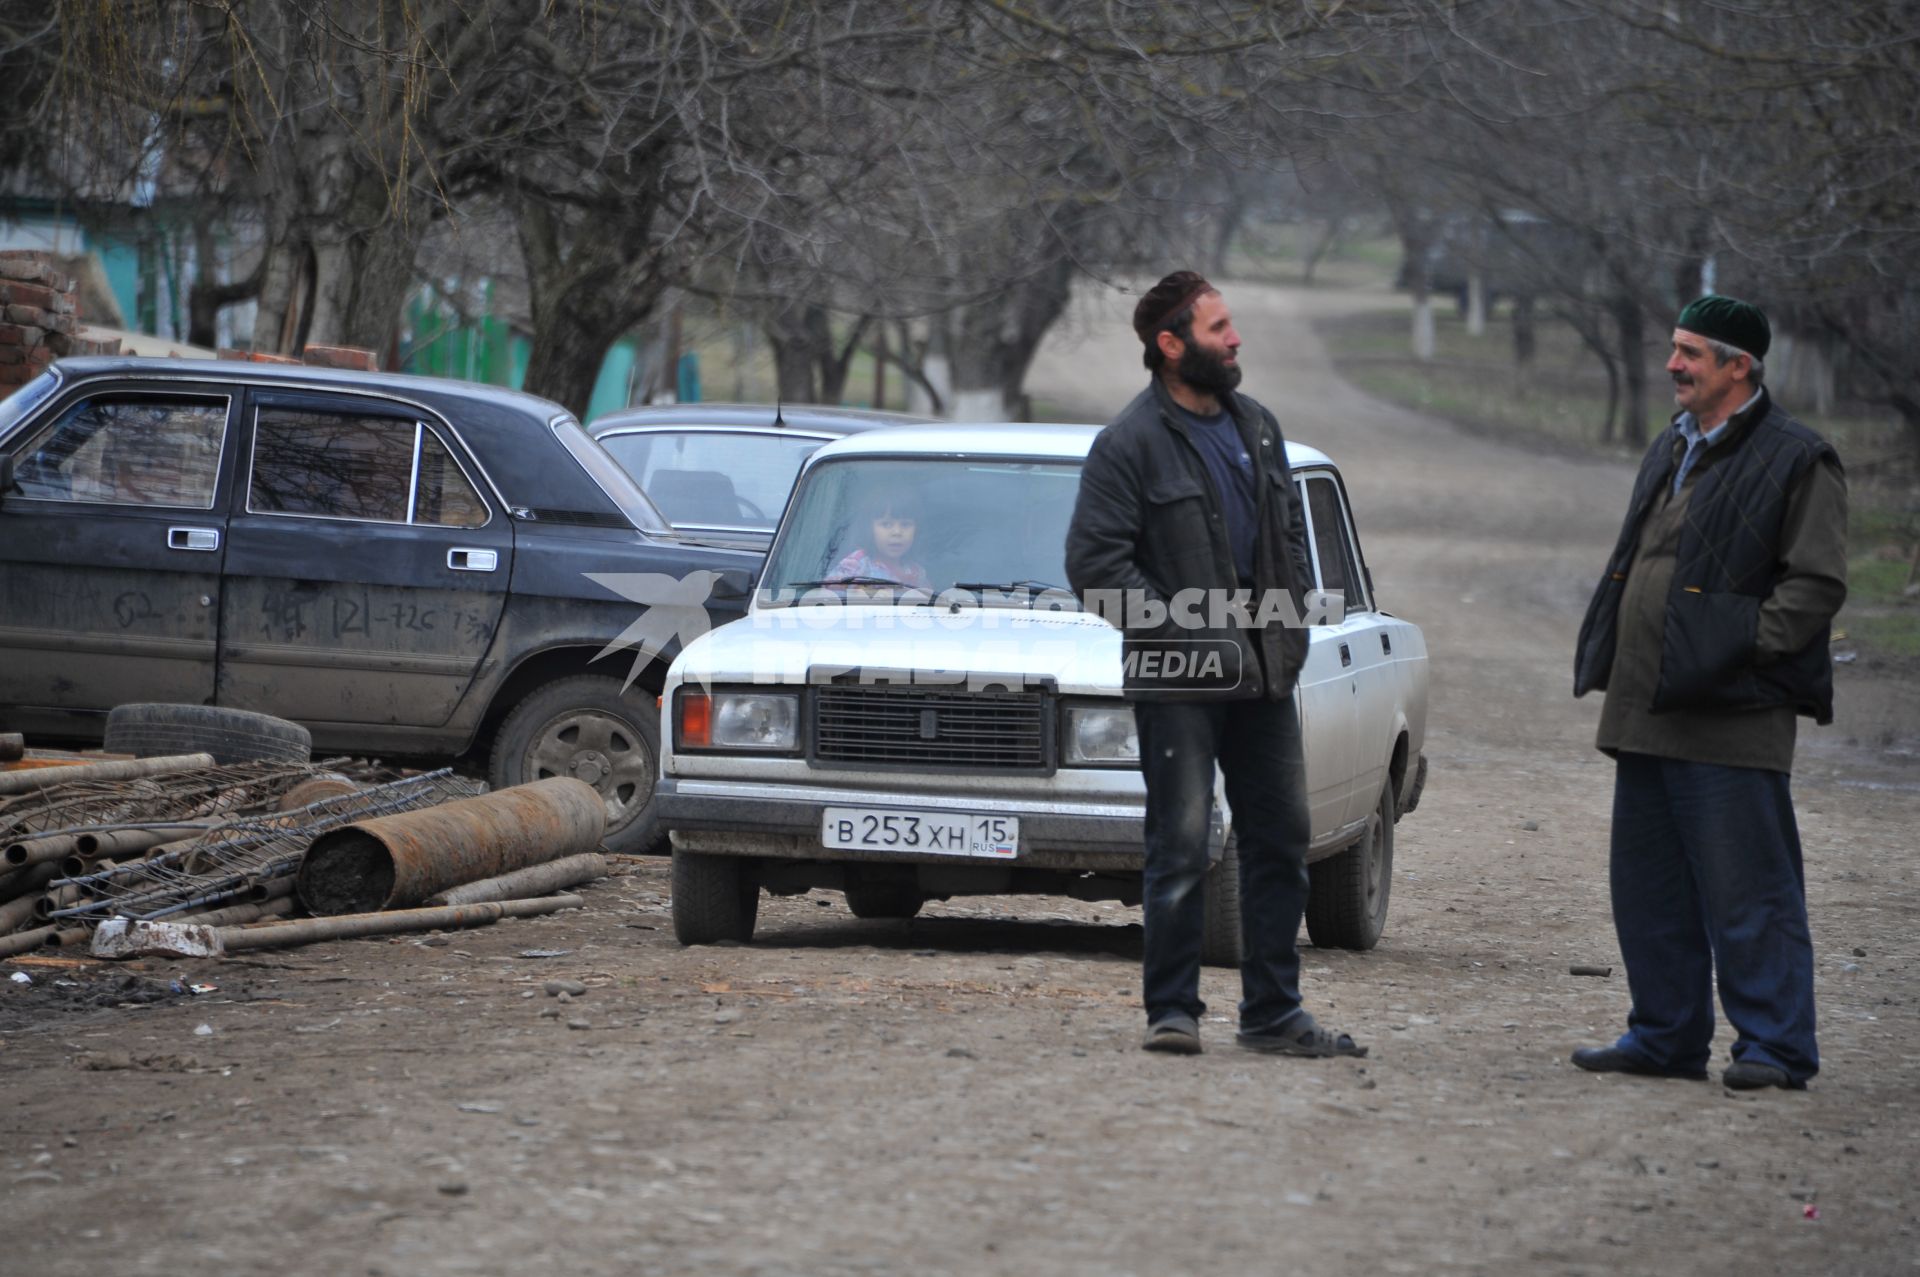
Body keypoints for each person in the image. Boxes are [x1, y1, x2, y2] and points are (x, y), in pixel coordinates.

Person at [1065, 270, 1364, 1058]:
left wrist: (1285, 632)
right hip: (1178, 679)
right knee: (1183, 841)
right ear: (1171, 346)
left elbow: (1288, 545)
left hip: (1265, 675)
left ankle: (1273, 1012)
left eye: (1231, 326)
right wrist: (1192, 635)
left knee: (1281, 837)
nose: (1235, 340)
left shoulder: (1257, 427)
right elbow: (1095, 568)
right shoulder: (1129, 443)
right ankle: (1173, 1010)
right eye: (1218, 327)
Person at [1572, 294, 1847, 1091]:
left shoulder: (1801, 456)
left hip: (1733, 714)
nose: (1673, 364)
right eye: (1675, 348)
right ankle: (1664, 1036)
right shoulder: (1673, 444)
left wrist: (1734, 653)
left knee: (1749, 892)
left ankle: (1776, 1047)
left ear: (1740, 367)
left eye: (1692, 352)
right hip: (1647, 707)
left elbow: (1817, 584)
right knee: (1648, 890)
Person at [831, 489, 930, 590]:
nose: (897, 532)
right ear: (869, 529)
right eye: (886, 524)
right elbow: (828, 596)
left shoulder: (917, 573)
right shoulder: (857, 563)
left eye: (905, 524)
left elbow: (928, 602)